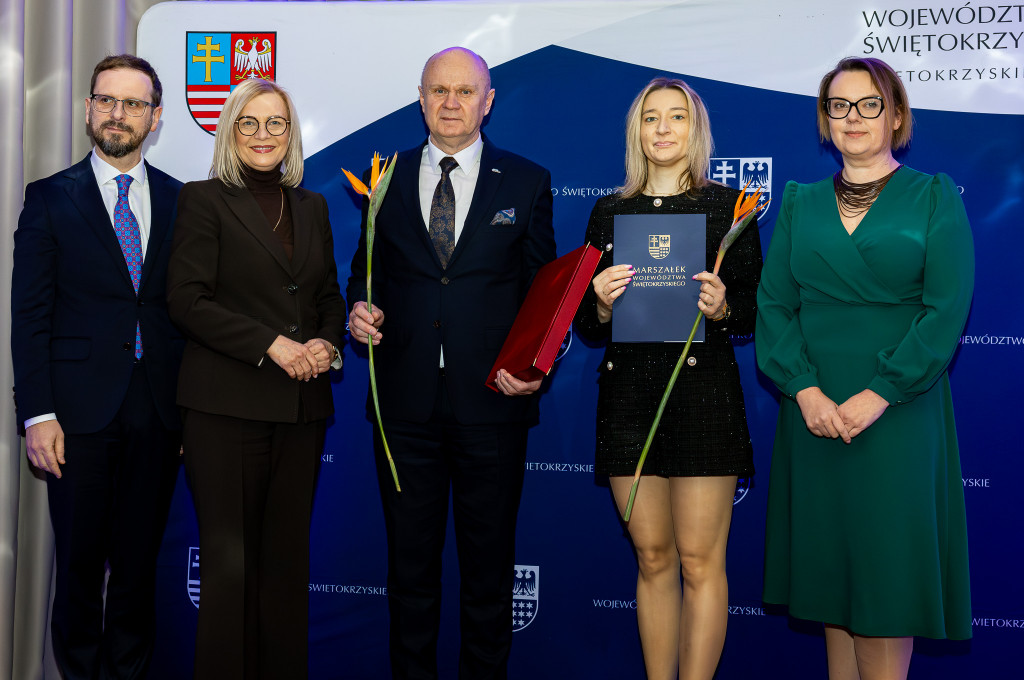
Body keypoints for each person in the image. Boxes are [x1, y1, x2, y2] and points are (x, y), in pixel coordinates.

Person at [756, 57, 974, 680]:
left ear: (896, 115)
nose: (853, 117)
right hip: (815, 413)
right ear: (824, 120)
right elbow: (774, 306)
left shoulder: (934, 197)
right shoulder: (798, 203)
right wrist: (805, 390)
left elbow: (944, 312)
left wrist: (881, 392)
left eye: (869, 104)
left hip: (899, 413)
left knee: (885, 585)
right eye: (839, 106)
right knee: (833, 586)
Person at [346, 46, 556, 679]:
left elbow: (543, 294)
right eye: (439, 90)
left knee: (488, 577)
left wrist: (538, 366)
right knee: (409, 576)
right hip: (403, 410)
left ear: (487, 102)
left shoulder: (526, 180)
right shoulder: (382, 178)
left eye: (465, 91)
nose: (451, 102)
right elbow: (364, 275)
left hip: (492, 405)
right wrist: (359, 310)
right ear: (420, 98)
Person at [573, 77, 761, 680]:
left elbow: (753, 311)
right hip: (629, 400)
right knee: (653, 558)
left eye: (676, 116)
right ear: (636, 130)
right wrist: (601, 304)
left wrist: (723, 307)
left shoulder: (728, 209)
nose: (662, 128)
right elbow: (586, 325)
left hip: (704, 400)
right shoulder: (609, 212)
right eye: (651, 117)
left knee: (700, 562)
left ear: (695, 129)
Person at [166, 78, 346, 679]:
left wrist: (327, 342)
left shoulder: (312, 206)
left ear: (291, 133)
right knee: (229, 571)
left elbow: (326, 296)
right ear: (230, 131)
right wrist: (270, 343)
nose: (263, 135)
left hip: (300, 411)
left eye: (276, 123)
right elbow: (187, 301)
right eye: (250, 122)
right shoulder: (202, 200)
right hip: (225, 410)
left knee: (287, 570)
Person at [10, 54, 183, 680]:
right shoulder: (49, 198)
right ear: (88, 109)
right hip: (74, 416)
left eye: (134, 103)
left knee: (138, 570)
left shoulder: (183, 200)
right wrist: (38, 415)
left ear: (155, 118)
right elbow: (29, 316)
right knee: (80, 571)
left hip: (158, 411)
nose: (118, 113)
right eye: (106, 100)